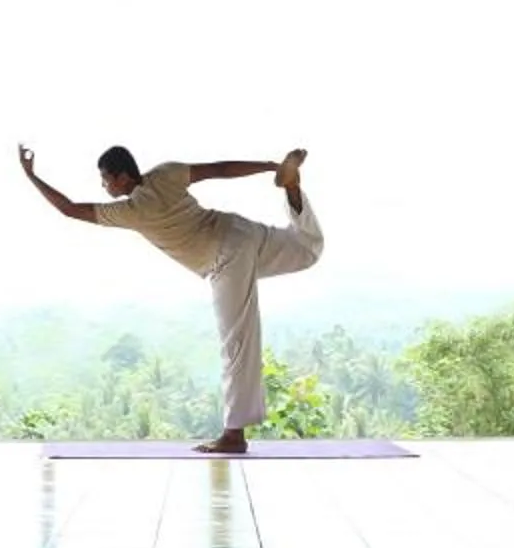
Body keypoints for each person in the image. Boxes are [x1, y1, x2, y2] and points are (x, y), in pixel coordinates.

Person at [18, 143, 319, 454]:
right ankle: (291, 186)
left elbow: (69, 209)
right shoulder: (166, 173)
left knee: (237, 343)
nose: (104, 186)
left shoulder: (131, 211)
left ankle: (234, 435)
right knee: (305, 249)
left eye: (105, 179)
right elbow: (220, 168)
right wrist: (271, 166)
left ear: (122, 178)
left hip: (225, 258)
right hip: (239, 229)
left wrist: (31, 176)